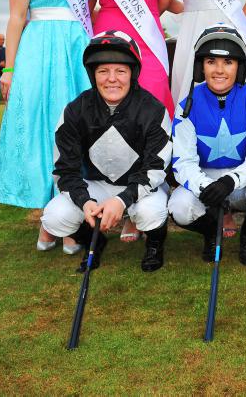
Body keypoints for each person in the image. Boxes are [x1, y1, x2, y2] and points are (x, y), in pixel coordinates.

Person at [0, 0, 91, 255]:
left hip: (74, 50)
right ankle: (52, 224)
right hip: (40, 51)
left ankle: (67, 219)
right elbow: (17, 17)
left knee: (75, 129)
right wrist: (9, 69)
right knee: (45, 129)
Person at [40, 31, 171, 272]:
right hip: (96, 185)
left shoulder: (153, 110)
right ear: (93, 74)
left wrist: (122, 199)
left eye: (120, 71)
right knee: (54, 217)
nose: (112, 79)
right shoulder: (74, 111)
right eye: (103, 71)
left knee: (150, 213)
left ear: (133, 73)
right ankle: (95, 239)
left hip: (142, 186)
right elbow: (65, 170)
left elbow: (156, 169)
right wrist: (84, 201)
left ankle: (155, 244)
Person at [168, 26, 246, 266]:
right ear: (201, 67)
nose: (219, 70)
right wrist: (206, 186)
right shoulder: (186, 106)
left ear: (239, 67)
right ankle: (211, 231)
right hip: (204, 177)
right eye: (211, 62)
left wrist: (230, 181)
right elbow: (182, 161)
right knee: (179, 207)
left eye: (228, 62)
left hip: (241, 180)